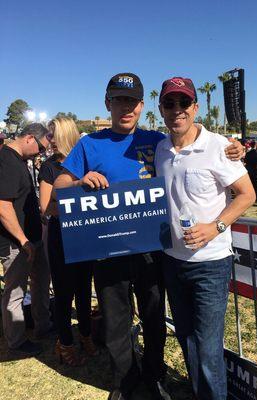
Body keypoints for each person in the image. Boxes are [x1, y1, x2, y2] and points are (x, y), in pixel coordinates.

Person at [54, 73, 244, 400]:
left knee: (155, 319)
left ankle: (156, 376)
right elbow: (57, 191)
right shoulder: (88, 144)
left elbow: (195, 143)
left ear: (141, 105)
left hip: (152, 251)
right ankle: (124, 382)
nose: (125, 107)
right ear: (107, 103)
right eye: (118, 100)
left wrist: (235, 148)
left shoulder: (158, 141)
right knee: (116, 324)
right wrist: (79, 182)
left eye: (131, 101)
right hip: (108, 252)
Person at [154, 77, 255, 400]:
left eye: (184, 103)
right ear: (162, 109)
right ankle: (200, 393)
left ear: (195, 108)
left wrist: (216, 227)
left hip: (210, 264)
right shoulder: (160, 148)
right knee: (184, 336)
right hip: (172, 260)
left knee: (209, 347)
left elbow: (247, 194)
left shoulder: (218, 146)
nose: (177, 110)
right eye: (170, 104)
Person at [38, 117, 98, 366]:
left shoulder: (85, 161)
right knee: (64, 294)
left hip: (85, 234)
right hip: (60, 237)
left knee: (85, 290)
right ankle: (65, 343)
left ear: (63, 135)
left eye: (52, 135)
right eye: (47, 135)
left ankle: (85, 335)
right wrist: (75, 204)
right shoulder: (49, 167)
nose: (48, 140)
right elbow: (45, 208)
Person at [0, 123, 52, 355]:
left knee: (41, 283)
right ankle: (16, 342)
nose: (41, 153)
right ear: (30, 138)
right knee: (15, 292)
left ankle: (43, 326)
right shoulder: (7, 161)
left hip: (32, 238)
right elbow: (3, 207)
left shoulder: (20, 161)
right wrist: (22, 240)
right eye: (40, 148)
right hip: (16, 243)